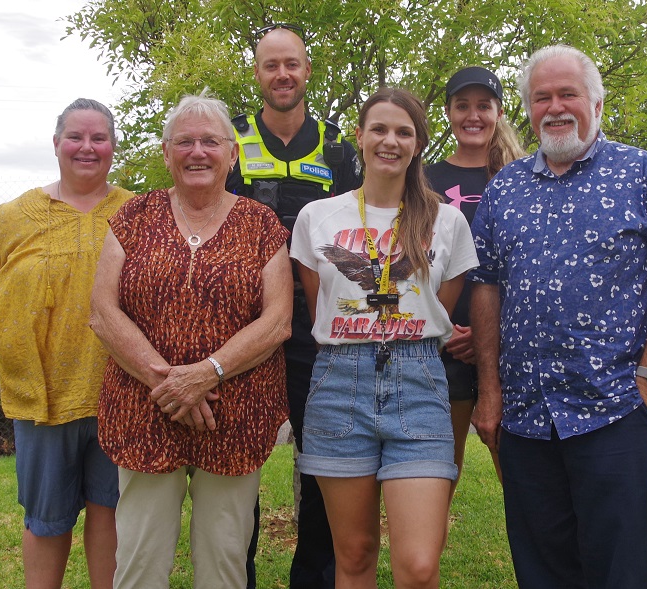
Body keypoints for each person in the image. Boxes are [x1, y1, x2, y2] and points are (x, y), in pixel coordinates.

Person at [470, 45, 647, 589]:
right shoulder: (505, 188)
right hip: (527, 416)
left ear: (595, 102)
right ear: (527, 109)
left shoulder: (641, 173)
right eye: (541, 97)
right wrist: (489, 389)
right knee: (542, 569)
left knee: (617, 570)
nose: (555, 107)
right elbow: (485, 288)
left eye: (567, 94)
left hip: (614, 410)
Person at [90, 92, 292, 589]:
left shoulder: (261, 223)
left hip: (236, 413)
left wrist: (206, 374)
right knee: (138, 559)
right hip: (144, 408)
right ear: (166, 153)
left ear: (232, 154)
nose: (197, 151)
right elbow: (102, 311)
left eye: (210, 141)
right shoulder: (135, 217)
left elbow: (277, 321)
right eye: (184, 141)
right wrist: (171, 383)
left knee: (224, 559)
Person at [290, 87, 478, 588]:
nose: (389, 141)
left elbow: (441, 302)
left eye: (403, 132)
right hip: (338, 383)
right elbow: (318, 303)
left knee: (418, 565)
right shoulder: (317, 217)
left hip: (418, 381)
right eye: (379, 129)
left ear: (418, 144)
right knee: (353, 555)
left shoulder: (448, 221)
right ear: (359, 137)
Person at [0, 98, 131, 589]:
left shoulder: (136, 212)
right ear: (56, 143)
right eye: (75, 137)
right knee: (47, 521)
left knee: (112, 514)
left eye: (98, 138)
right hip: (42, 400)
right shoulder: (10, 218)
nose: (87, 147)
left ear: (112, 147)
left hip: (120, 394)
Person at [226, 23, 362, 589]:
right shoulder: (226, 138)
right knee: (239, 466)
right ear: (257, 74)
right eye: (270, 65)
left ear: (307, 70)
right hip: (242, 327)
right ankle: (241, 574)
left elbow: (364, 230)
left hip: (318, 329)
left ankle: (315, 577)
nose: (282, 74)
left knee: (323, 462)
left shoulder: (338, 148)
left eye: (292, 64)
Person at [425, 66, 525, 490]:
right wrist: (443, 329)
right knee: (438, 479)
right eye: (462, 105)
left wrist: (490, 337)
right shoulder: (424, 179)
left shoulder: (523, 177)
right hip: (443, 346)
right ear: (448, 112)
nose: (473, 115)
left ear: (499, 112)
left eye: (483, 106)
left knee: (521, 483)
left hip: (509, 349)